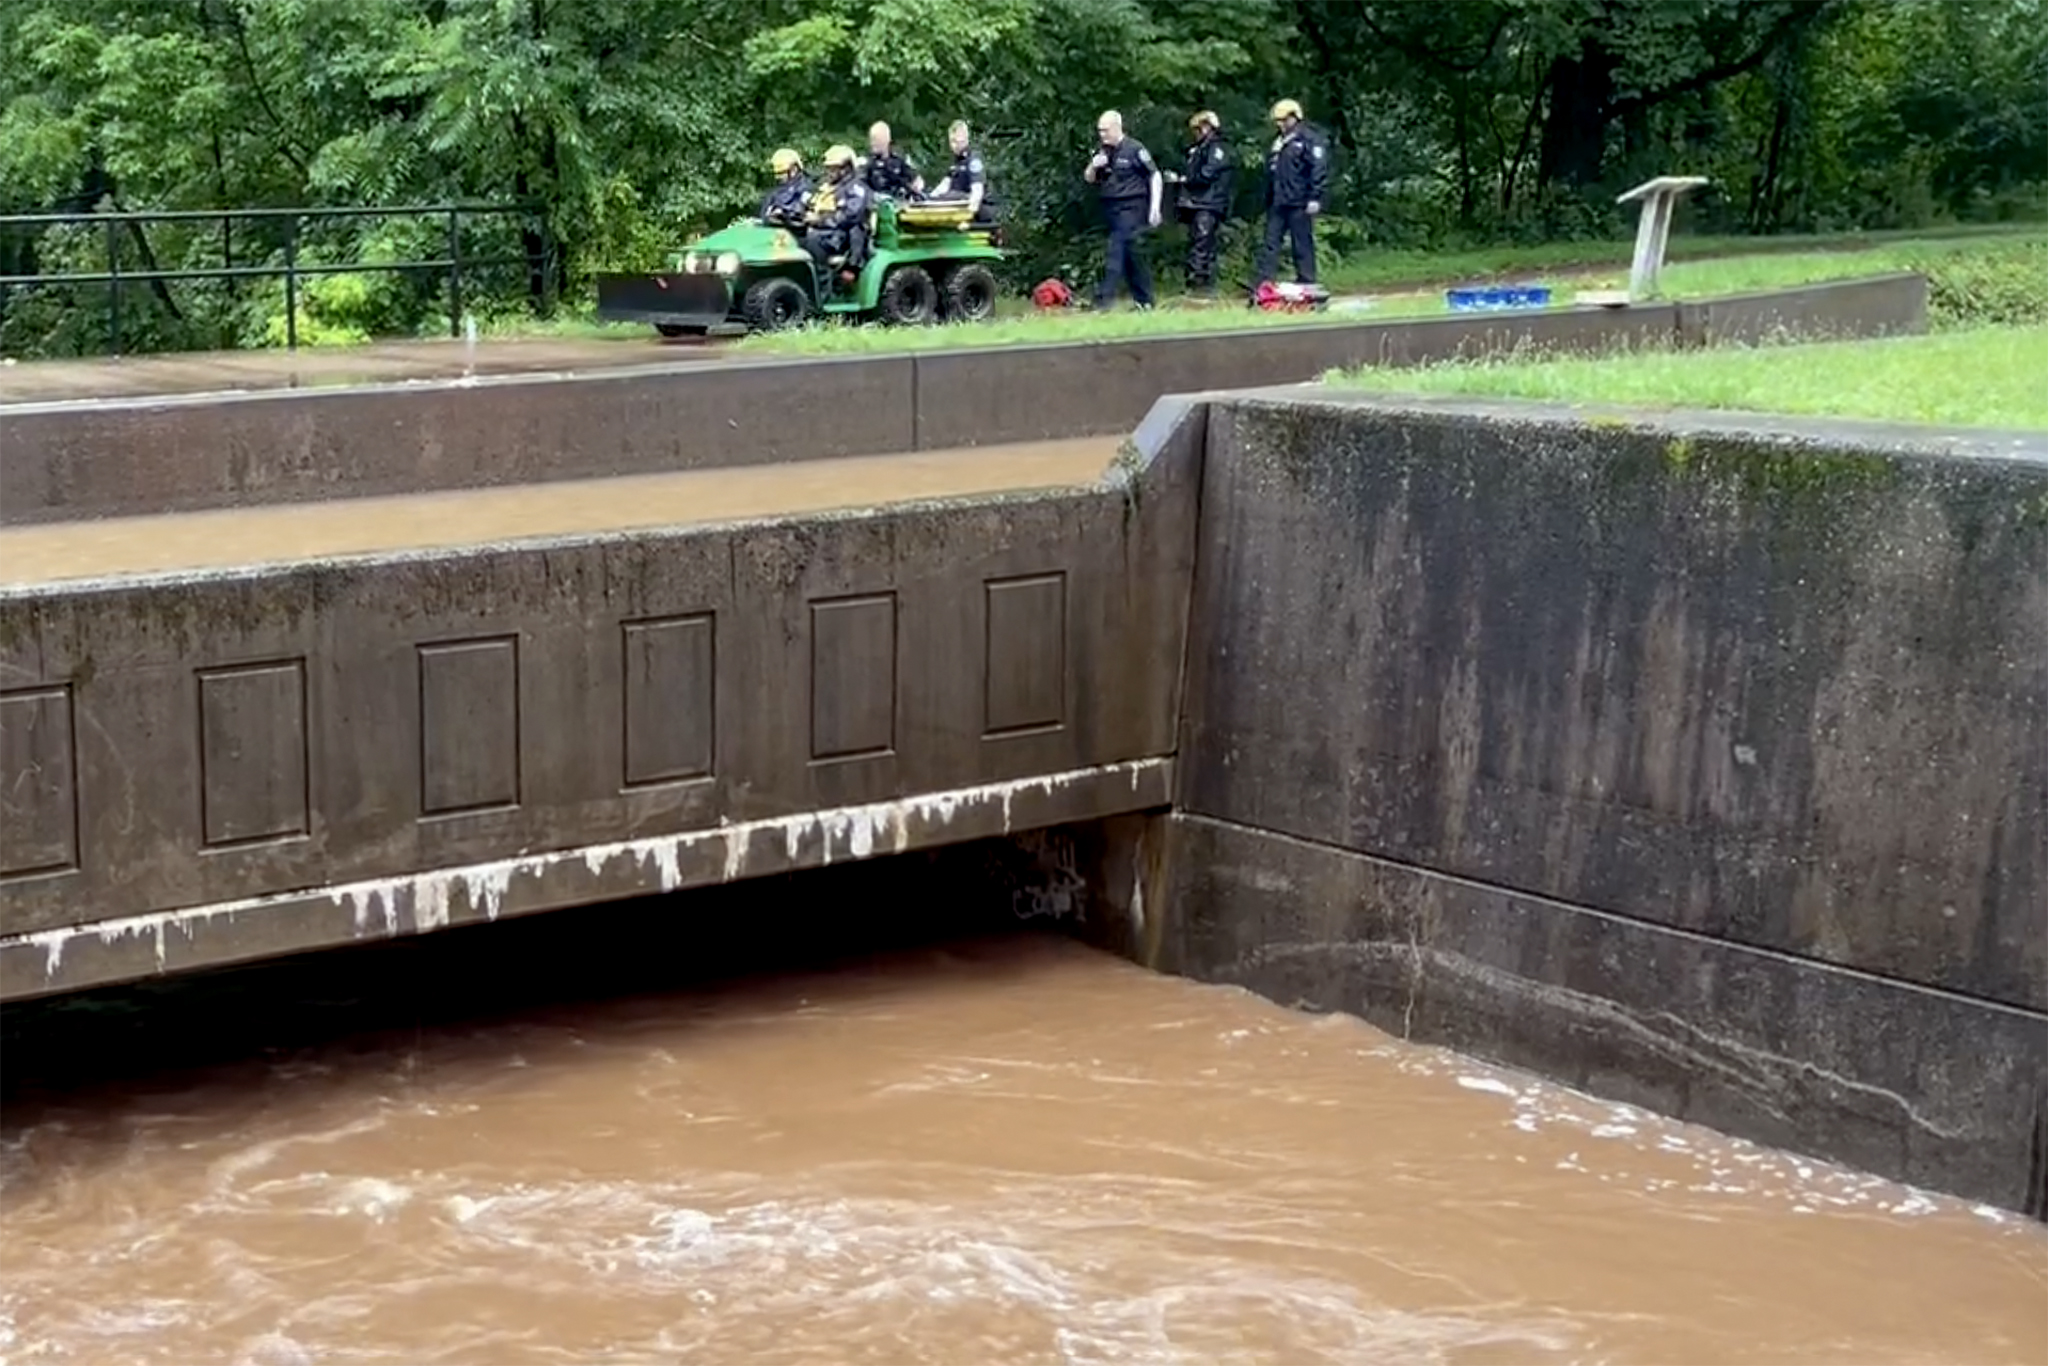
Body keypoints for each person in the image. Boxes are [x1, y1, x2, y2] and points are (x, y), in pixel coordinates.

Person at [1082, 110, 1162, 310]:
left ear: (1117, 127)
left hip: (1132, 207)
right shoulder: (1103, 152)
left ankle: (1103, 301)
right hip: (1112, 209)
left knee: (1115, 251)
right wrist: (1093, 166)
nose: (1102, 135)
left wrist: (1155, 207)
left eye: (1106, 130)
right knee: (1132, 257)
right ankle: (1145, 301)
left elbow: (1155, 175)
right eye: (1100, 131)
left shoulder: (1134, 149)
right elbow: (1089, 178)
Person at [1254, 98, 1330, 289]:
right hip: (1278, 202)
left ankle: (1307, 280)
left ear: (1294, 117)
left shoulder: (1310, 140)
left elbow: (1318, 169)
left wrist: (1315, 197)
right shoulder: (1278, 143)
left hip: (1300, 201)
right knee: (1270, 242)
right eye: (1277, 121)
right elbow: (1271, 172)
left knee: (1301, 243)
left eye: (1283, 120)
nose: (1280, 125)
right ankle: (1264, 282)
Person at [1177, 111, 1233, 298]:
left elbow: (1208, 173)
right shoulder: (1199, 149)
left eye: (1198, 129)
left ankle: (1200, 284)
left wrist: (1186, 180)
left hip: (1209, 202)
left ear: (1208, 127)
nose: (1196, 133)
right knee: (1197, 242)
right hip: (1199, 203)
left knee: (1203, 243)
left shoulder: (1217, 148)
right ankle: (1197, 283)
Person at [802, 145, 872, 280]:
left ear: (846, 169)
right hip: (826, 232)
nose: (829, 172)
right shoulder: (826, 187)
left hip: (842, 236)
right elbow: (810, 205)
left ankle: (821, 286)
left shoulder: (855, 188)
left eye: (833, 168)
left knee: (812, 241)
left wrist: (819, 220)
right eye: (828, 168)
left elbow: (850, 216)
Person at [930, 120, 994, 223]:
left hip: (977, 211)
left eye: (957, 141)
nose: (954, 145)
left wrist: (968, 215)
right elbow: (943, 186)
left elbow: (977, 191)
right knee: (946, 196)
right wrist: (929, 200)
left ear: (965, 138)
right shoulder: (956, 163)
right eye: (952, 141)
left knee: (954, 196)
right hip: (959, 207)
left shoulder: (973, 160)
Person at [862, 121, 923, 200]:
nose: (872, 143)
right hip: (878, 205)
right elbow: (860, 187)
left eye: (876, 139)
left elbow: (914, 177)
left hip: (900, 204)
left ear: (887, 139)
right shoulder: (867, 163)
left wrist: (917, 184)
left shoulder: (898, 160)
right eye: (872, 139)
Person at [759, 148, 811, 230]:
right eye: (777, 174)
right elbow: (764, 213)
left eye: (782, 173)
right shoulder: (776, 191)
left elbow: (801, 216)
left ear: (794, 169)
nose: (778, 177)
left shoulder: (807, 188)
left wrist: (784, 214)